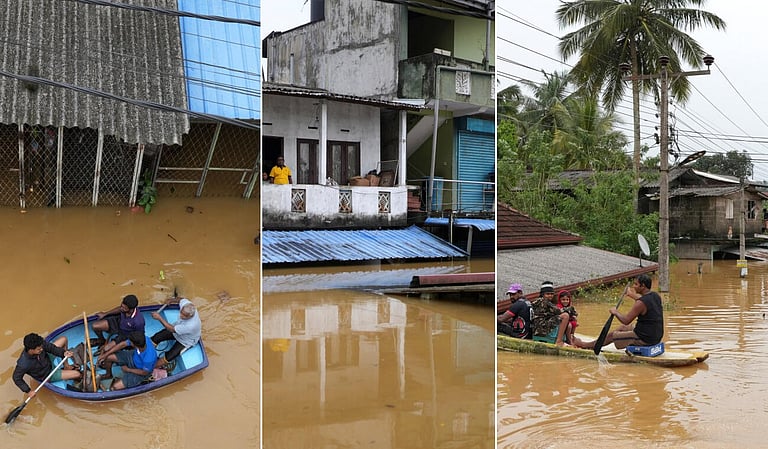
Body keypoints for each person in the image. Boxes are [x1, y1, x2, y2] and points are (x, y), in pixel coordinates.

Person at [574, 274, 664, 350]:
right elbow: (643, 301)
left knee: (612, 335)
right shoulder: (655, 296)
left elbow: (626, 320)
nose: (634, 286)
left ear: (643, 286)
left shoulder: (640, 303)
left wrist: (615, 312)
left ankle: (585, 345)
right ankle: (600, 341)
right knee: (623, 328)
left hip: (645, 338)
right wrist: (631, 295)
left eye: (636, 284)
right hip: (656, 336)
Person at [12, 333, 81, 398]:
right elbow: (16, 378)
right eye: (39, 349)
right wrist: (28, 391)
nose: (42, 349)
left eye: (41, 347)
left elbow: (51, 348)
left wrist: (63, 353)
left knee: (64, 339)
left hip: (47, 359)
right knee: (77, 374)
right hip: (48, 374)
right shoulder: (24, 363)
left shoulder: (40, 344)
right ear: (31, 350)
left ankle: (66, 366)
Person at [150, 296, 202, 368]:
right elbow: (181, 299)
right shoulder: (187, 305)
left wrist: (159, 318)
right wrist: (171, 300)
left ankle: (150, 368)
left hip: (186, 340)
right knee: (157, 337)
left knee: (168, 357)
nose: (181, 315)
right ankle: (147, 353)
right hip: (177, 329)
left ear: (190, 316)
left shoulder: (191, 325)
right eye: (181, 312)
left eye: (184, 316)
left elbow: (171, 329)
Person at [531, 281, 570, 347]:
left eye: (551, 294)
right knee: (565, 316)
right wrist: (571, 310)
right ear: (543, 294)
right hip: (541, 327)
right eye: (548, 294)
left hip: (538, 327)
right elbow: (558, 311)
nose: (550, 296)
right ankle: (559, 341)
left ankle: (567, 340)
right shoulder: (544, 302)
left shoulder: (538, 301)